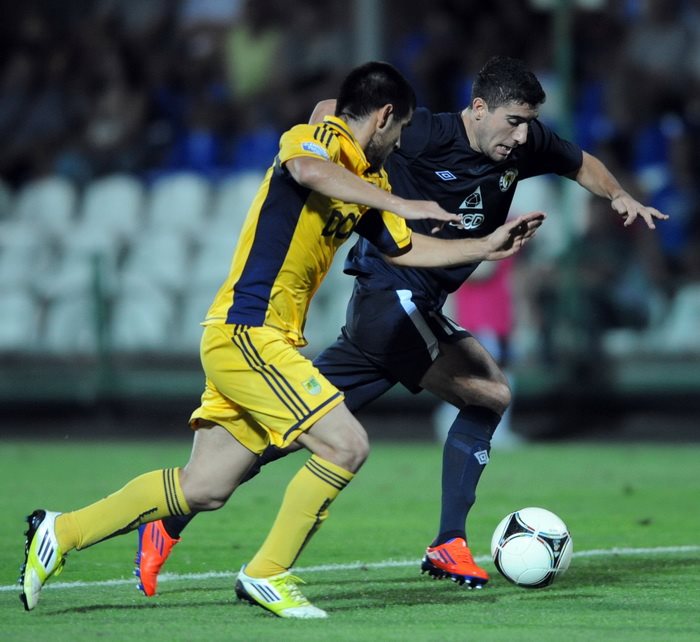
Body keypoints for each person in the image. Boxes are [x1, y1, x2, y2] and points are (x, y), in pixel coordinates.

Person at [19, 60, 544, 618]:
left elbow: (406, 249)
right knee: (346, 445)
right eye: (401, 129)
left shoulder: (370, 182)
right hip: (247, 331)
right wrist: (400, 203)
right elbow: (307, 170)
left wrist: (485, 246)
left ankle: (61, 530)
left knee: (205, 486)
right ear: (384, 117)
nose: (401, 143)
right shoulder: (317, 140)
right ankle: (267, 572)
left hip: (265, 340)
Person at [134, 56, 667, 599]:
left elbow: (581, 162)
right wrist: (335, 149)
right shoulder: (427, 132)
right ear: (478, 109)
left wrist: (618, 195)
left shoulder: (525, 144)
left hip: (408, 307)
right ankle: (447, 541)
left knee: (290, 429)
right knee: (489, 392)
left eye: (528, 123)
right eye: (512, 121)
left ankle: (173, 515)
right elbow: (330, 109)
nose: (522, 135)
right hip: (391, 294)